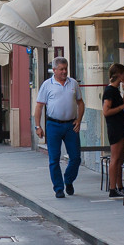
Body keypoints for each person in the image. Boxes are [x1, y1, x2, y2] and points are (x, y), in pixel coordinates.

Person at [34, 57, 85, 198]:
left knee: (75, 157)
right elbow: (39, 107)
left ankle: (68, 180)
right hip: (53, 125)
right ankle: (58, 188)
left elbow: (80, 103)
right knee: (54, 158)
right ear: (54, 70)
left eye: (65, 69)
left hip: (70, 125)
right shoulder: (47, 85)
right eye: (61, 69)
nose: (64, 71)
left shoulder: (73, 83)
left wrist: (79, 120)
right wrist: (38, 126)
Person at [102, 64, 124, 197]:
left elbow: (123, 103)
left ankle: (120, 186)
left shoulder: (116, 90)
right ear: (119, 74)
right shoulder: (109, 91)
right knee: (115, 158)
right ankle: (112, 188)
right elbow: (106, 111)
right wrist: (123, 107)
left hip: (120, 125)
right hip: (114, 127)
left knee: (120, 158)